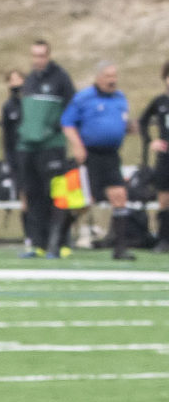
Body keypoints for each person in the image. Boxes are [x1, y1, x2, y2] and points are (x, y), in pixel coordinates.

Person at [63, 60, 137, 259]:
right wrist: (77, 145)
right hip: (90, 155)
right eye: (108, 76)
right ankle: (60, 235)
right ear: (98, 77)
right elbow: (67, 123)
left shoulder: (120, 98)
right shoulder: (84, 98)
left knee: (119, 196)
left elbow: (119, 121)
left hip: (111, 156)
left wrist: (127, 128)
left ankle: (119, 249)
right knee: (85, 201)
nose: (112, 80)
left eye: (114, 76)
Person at [15, 40, 75, 258]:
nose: (37, 60)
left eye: (41, 56)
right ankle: (38, 244)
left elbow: (71, 108)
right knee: (33, 195)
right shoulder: (29, 80)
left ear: (48, 56)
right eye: (34, 56)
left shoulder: (60, 78)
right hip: (29, 147)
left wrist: (52, 129)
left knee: (56, 195)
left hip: (52, 147)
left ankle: (59, 243)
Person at [139, 60, 169, 253]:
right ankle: (164, 239)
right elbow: (142, 121)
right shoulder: (160, 102)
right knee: (164, 200)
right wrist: (151, 141)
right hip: (165, 159)